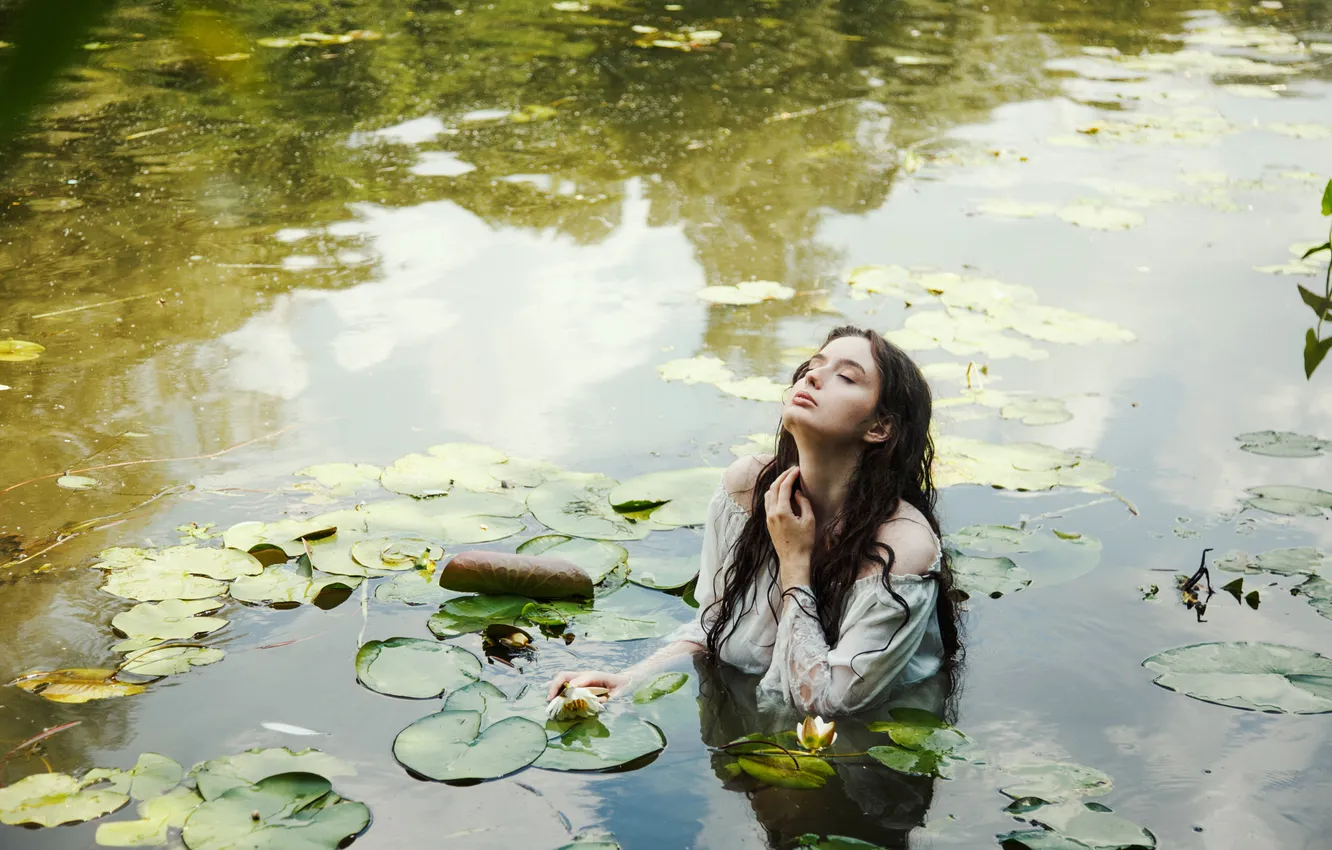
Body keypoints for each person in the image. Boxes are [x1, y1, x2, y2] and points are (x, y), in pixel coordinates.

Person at [548, 325, 962, 715]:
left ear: (881, 427)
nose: (813, 378)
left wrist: (794, 562)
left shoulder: (903, 548)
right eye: (813, 367)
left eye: (847, 378)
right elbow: (713, 624)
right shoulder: (746, 487)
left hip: (872, 746)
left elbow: (826, 705)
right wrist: (629, 678)